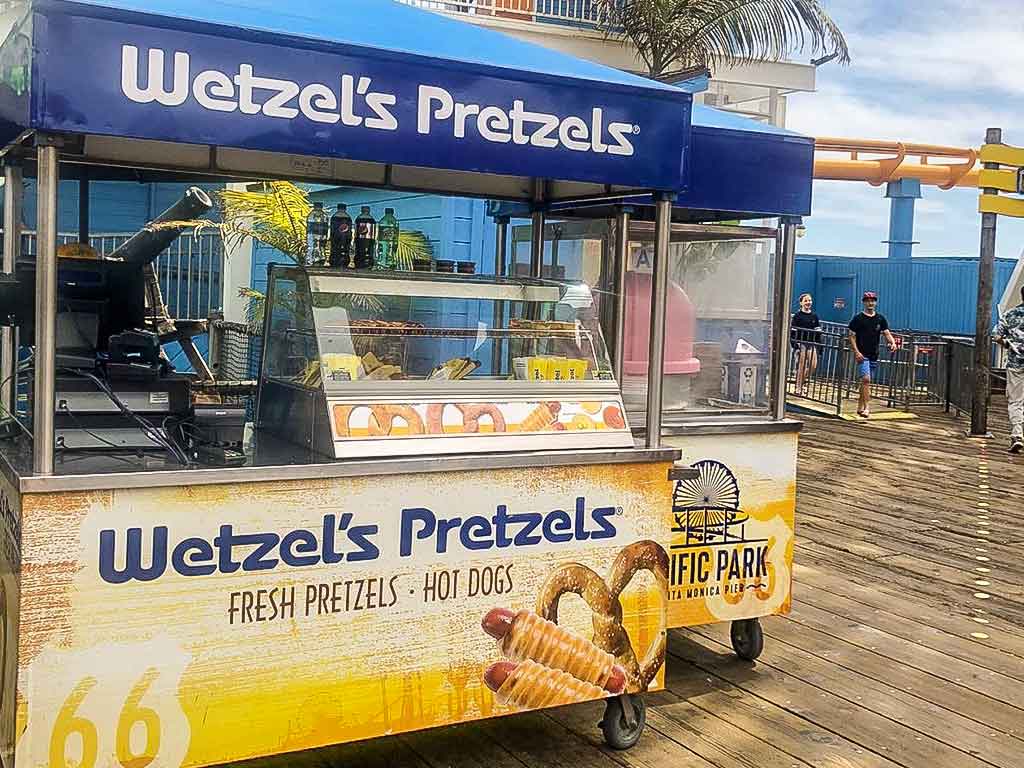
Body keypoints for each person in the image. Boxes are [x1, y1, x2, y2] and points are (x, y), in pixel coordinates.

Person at [848, 291, 897, 418]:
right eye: (868, 300)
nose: (870, 303)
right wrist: (856, 352)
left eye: (873, 300)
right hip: (862, 355)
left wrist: (892, 343)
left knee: (865, 383)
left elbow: (886, 333)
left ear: (875, 302)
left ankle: (859, 406)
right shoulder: (858, 319)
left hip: (874, 354)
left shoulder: (880, 319)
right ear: (864, 302)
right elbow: (851, 336)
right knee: (866, 379)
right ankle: (867, 408)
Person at [993, 285, 1024, 454]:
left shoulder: (1010, 314)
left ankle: (1017, 435)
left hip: (1015, 364)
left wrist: (1007, 344)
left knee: (1016, 401)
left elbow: (996, 335)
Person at [791, 293, 822, 393]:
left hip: (811, 343)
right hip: (801, 343)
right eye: (806, 301)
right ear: (801, 303)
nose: (808, 302)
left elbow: (818, 332)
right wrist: (795, 345)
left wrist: (819, 346)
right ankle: (798, 388)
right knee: (801, 365)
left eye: (809, 300)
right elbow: (793, 331)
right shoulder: (797, 316)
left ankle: (801, 382)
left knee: (813, 365)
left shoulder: (814, 316)